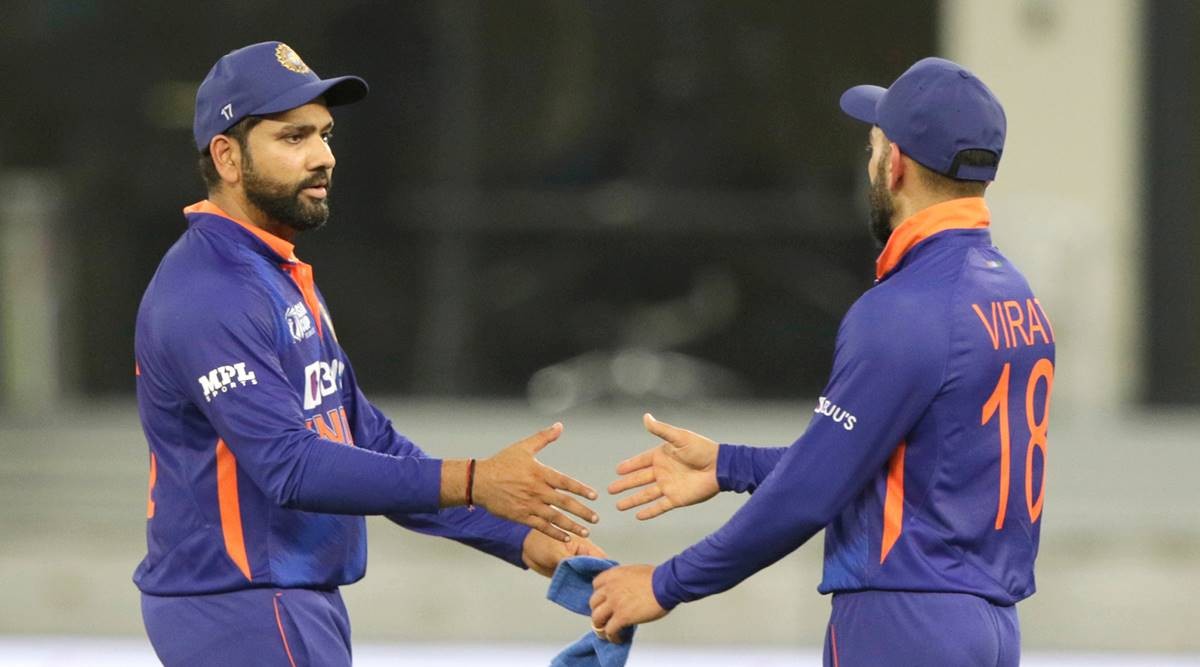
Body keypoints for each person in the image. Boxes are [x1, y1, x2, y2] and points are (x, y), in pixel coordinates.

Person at [134, 41, 604, 667]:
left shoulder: (270, 272)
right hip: (240, 608)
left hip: (284, 602)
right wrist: (475, 480)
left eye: (324, 135)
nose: (323, 156)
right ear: (227, 156)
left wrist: (518, 539)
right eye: (293, 137)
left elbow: (365, 438)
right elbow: (289, 467)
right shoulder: (211, 289)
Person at [590, 57, 1055, 666]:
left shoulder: (903, 309)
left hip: (902, 623)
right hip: (991, 627)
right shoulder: (1016, 298)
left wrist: (665, 582)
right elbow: (881, 463)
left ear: (896, 164)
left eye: (872, 148)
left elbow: (811, 492)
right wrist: (729, 465)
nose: (870, 164)